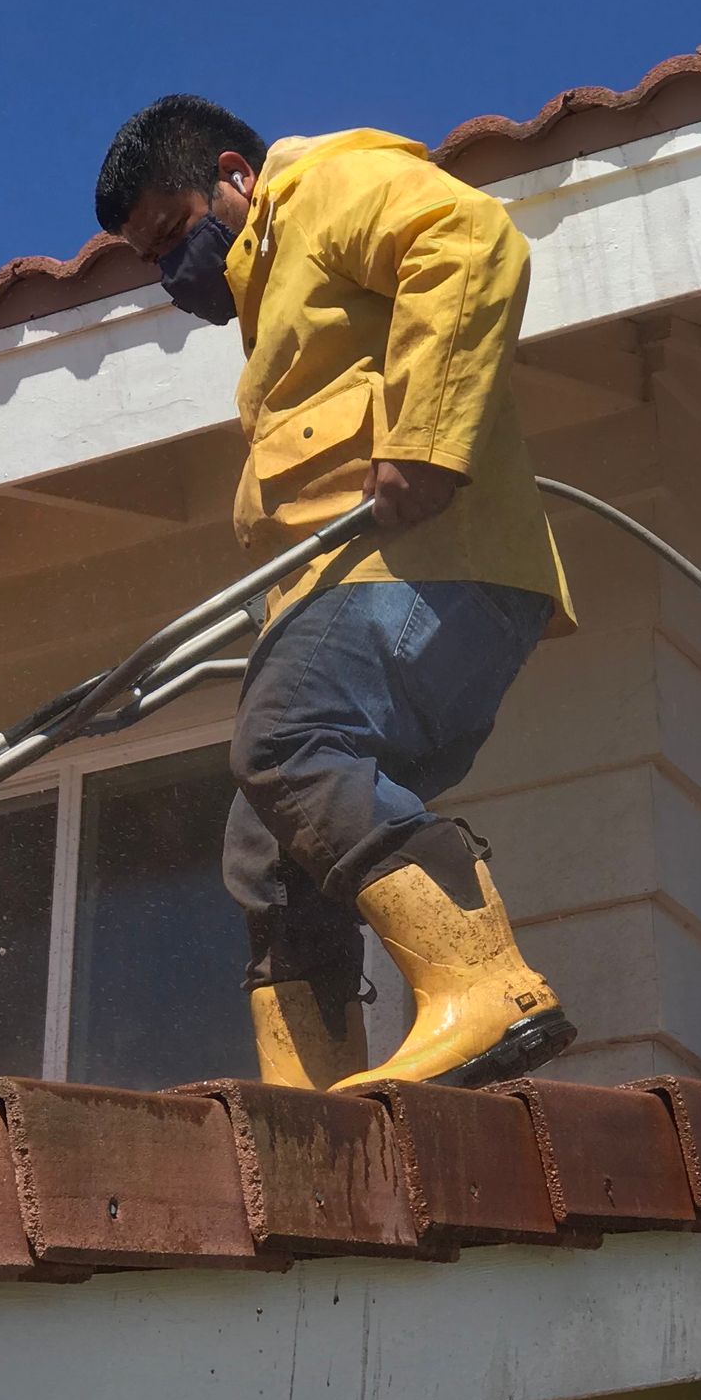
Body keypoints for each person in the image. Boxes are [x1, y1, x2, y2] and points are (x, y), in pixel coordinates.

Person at [93, 94, 577, 1092]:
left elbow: (471, 239)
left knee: (288, 735)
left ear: (235, 174)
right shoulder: (270, 290)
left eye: (175, 235)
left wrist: (423, 442)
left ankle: (487, 986)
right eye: (150, 258)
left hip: (440, 565)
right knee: (268, 843)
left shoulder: (324, 187)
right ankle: (312, 1102)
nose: (171, 272)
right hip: (369, 586)